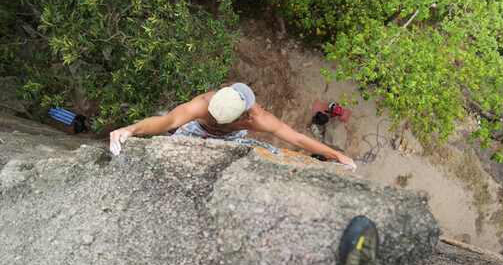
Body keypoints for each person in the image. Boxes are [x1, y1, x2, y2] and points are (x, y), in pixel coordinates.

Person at [109, 83, 356, 168]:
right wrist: (130, 130)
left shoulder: (205, 105)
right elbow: (295, 138)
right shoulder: (254, 118)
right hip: (207, 135)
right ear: (242, 117)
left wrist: (336, 154)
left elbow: (170, 121)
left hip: (196, 131)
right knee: (269, 155)